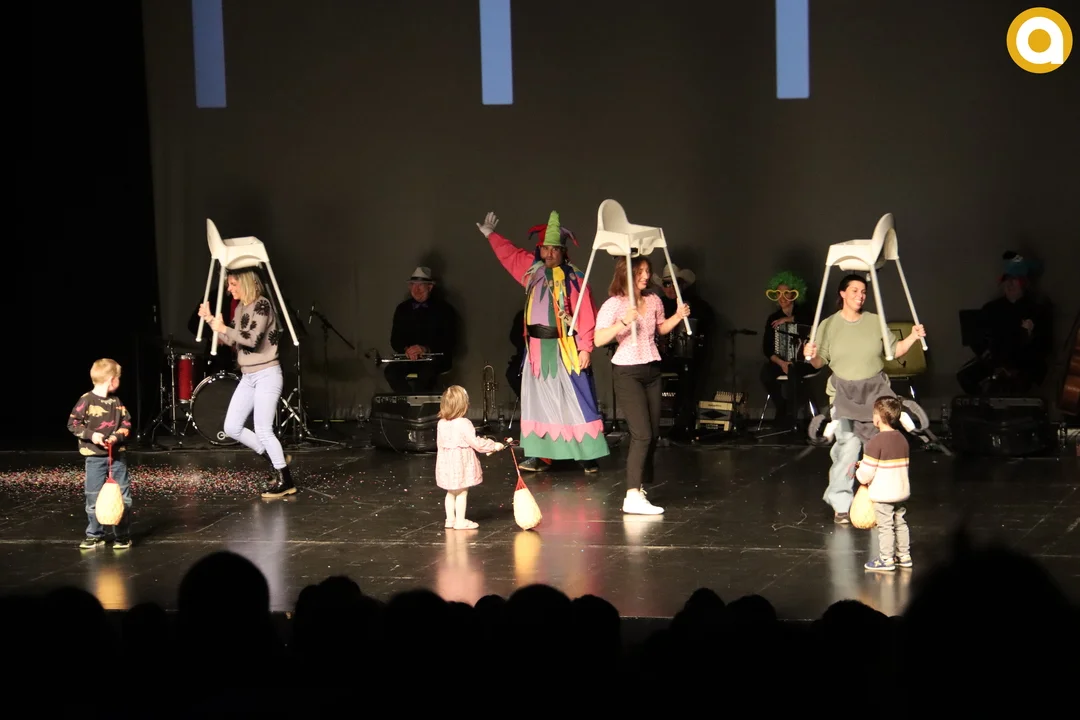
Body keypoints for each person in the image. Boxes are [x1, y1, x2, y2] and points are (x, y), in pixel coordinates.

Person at [476, 210, 609, 473]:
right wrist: (491, 235)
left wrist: (585, 348)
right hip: (537, 351)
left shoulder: (575, 278)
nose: (549, 253)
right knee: (539, 404)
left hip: (565, 350)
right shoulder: (532, 271)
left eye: (554, 249)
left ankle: (586, 454)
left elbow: (585, 314)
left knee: (574, 402)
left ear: (563, 251)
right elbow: (510, 254)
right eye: (545, 248)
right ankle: (542, 455)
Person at [803, 274, 925, 524]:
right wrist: (810, 355)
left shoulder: (874, 321)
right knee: (847, 450)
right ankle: (841, 505)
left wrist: (913, 337)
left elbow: (894, 351)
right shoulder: (829, 324)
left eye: (863, 292)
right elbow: (819, 361)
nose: (860, 296)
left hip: (874, 396)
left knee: (878, 449)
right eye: (855, 291)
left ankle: (883, 502)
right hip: (844, 396)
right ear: (842, 293)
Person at [595, 256, 690, 515]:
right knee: (642, 434)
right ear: (626, 274)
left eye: (647, 271)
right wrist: (624, 322)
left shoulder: (654, 300)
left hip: (652, 369)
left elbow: (660, 329)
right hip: (627, 371)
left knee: (653, 433)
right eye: (640, 271)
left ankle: (640, 487)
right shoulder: (615, 304)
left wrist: (678, 316)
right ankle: (632, 495)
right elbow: (598, 339)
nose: (646, 276)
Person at [198, 268, 295, 499]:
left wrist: (224, 328)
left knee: (263, 428)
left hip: (267, 373)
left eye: (233, 284)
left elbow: (251, 340)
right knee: (232, 427)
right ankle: (276, 459)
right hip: (249, 375)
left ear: (246, 283)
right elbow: (231, 339)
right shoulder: (241, 307)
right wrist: (211, 320)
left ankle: (286, 481)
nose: (229, 288)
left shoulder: (262, 305)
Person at [67, 358, 134, 549]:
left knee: (122, 496)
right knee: (93, 496)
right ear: (112, 380)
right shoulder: (86, 400)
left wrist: (115, 437)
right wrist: (92, 435)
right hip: (94, 458)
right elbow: (73, 424)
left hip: (116, 457)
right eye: (118, 378)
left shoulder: (116, 402)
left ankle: (122, 535)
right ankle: (95, 534)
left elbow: (126, 424)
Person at [854, 396, 912, 573]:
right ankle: (904, 556)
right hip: (900, 491)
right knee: (900, 523)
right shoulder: (902, 439)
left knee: (885, 526)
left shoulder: (875, 442)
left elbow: (866, 473)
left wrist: (859, 472)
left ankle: (886, 559)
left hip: (884, 493)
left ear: (878, 419)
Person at [435, 385, 505, 529]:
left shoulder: (441, 423)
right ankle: (460, 521)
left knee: (450, 492)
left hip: (446, 465)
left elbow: (440, 444)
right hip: (461, 465)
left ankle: (450, 520)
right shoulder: (464, 423)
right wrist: (493, 445)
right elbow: (477, 444)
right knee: (462, 492)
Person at [387, 266, 458, 393]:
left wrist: (425, 349)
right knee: (391, 372)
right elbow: (395, 339)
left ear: (430, 287)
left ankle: (421, 404)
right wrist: (407, 350)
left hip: (434, 360)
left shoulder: (444, 309)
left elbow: (449, 340)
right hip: (409, 359)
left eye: (420, 285)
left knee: (426, 375)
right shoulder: (402, 309)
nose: (416, 289)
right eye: (413, 285)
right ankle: (408, 402)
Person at [760, 271, 815, 425]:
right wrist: (781, 363)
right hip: (781, 361)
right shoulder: (772, 318)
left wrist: (788, 319)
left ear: (794, 294)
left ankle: (792, 416)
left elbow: (813, 322)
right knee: (765, 373)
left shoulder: (804, 312)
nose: (782, 297)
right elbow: (767, 348)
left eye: (786, 293)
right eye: (779, 293)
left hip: (804, 362)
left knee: (794, 372)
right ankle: (781, 406)